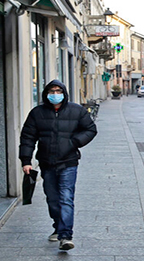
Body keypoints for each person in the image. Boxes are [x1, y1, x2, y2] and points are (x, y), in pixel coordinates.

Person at [19, 80, 97, 251]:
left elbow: (91, 129)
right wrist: (26, 160)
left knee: (66, 198)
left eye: (58, 91)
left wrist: (74, 142)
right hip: (46, 163)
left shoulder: (76, 111)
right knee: (53, 199)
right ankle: (58, 226)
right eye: (51, 91)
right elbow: (27, 137)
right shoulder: (37, 113)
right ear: (46, 94)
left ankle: (65, 235)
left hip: (68, 162)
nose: (55, 94)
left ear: (64, 93)